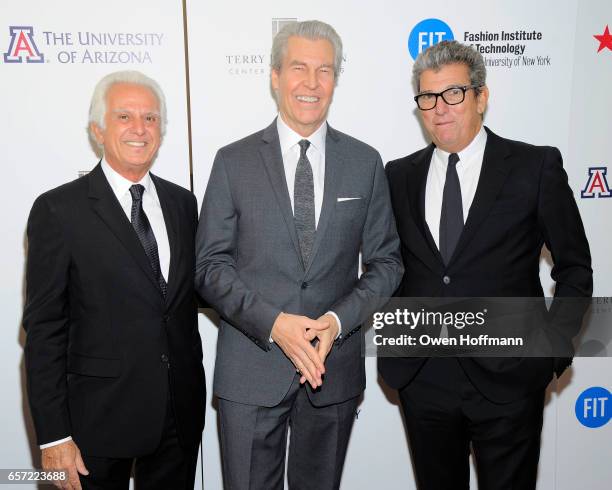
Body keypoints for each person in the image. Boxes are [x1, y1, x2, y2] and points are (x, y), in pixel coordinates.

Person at [196, 20, 402, 490]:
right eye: (298, 68)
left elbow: (387, 263)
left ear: (335, 79)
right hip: (250, 371)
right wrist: (274, 323)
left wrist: (334, 321)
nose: (311, 83)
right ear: (274, 75)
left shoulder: (365, 162)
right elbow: (209, 267)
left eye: (324, 70)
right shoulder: (233, 161)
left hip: (334, 372)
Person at [378, 40, 592, 490]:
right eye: (427, 98)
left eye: (453, 93)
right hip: (424, 379)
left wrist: (551, 350)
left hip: (510, 378)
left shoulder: (534, 167)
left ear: (481, 96)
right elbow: (385, 267)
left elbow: (574, 267)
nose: (440, 109)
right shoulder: (397, 176)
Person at [23, 70, 206, 490]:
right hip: (94, 427)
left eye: (150, 118)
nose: (140, 129)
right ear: (97, 130)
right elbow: (45, 331)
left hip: (178, 417)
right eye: (124, 117)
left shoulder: (182, 203)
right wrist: (54, 436)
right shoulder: (58, 210)